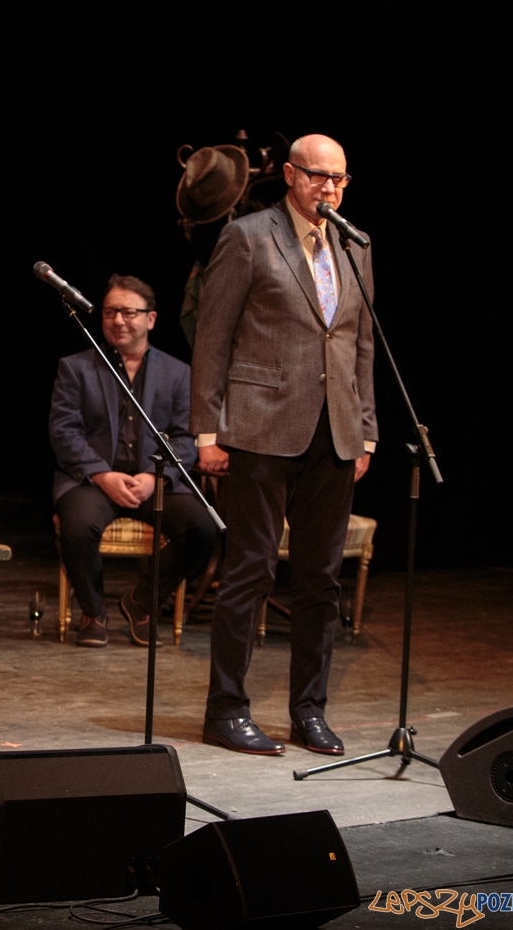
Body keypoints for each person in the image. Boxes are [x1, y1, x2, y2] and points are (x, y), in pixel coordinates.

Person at [191, 133, 375, 756]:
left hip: (336, 432)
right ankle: (225, 710)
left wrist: (366, 429)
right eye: (318, 175)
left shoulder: (354, 243)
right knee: (251, 570)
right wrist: (208, 430)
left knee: (321, 580)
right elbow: (212, 338)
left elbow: (360, 344)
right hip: (261, 426)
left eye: (339, 178)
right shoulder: (249, 237)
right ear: (292, 175)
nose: (329, 188)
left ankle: (309, 711)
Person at [50, 275, 216, 647]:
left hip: (151, 480)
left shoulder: (177, 373)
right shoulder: (76, 367)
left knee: (203, 528)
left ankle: (142, 601)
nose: (118, 320)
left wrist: (157, 478)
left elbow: (184, 437)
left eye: (128, 312)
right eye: (110, 312)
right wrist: (101, 474)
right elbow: (64, 432)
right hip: (93, 481)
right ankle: (93, 612)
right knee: (77, 526)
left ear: (150, 319)